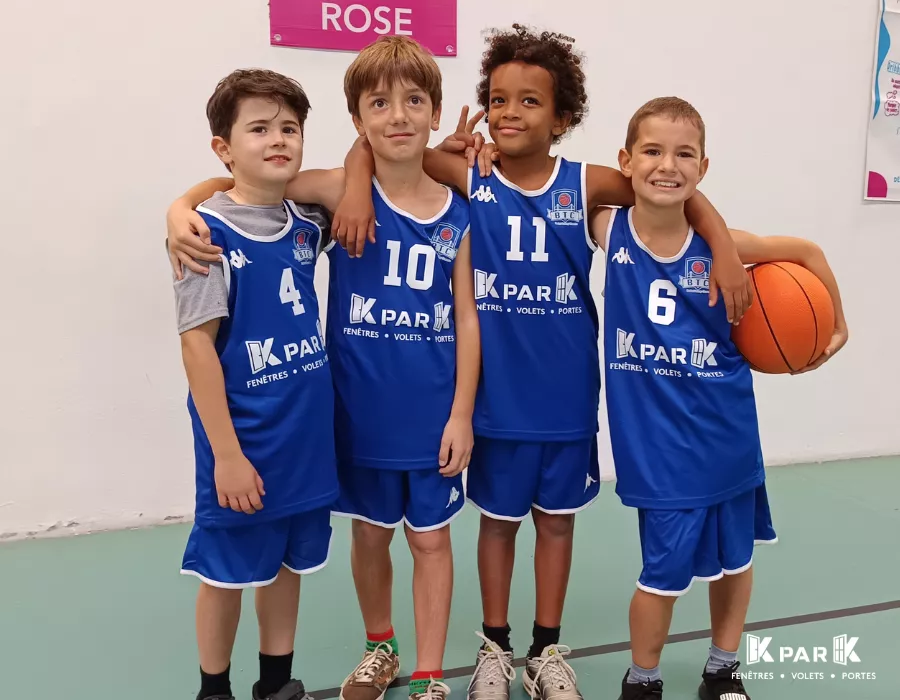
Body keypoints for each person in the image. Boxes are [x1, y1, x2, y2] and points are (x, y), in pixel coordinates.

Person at [337, 24, 756, 700]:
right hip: (493, 399)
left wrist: (725, 247)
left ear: (563, 117)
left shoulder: (585, 182)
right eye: (499, 99)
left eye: (530, 102)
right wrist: (357, 185)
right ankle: (494, 648)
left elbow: (670, 188)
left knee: (556, 525)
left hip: (564, 395)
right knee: (498, 524)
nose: (509, 113)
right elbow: (379, 148)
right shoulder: (466, 171)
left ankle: (545, 649)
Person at [165, 36, 481, 700]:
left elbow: (470, 316)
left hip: (407, 421)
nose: (398, 115)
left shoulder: (447, 208)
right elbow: (234, 187)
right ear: (358, 120)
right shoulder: (320, 200)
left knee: (413, 545)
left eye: (414, 101)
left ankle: (423, 675)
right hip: (344, 420)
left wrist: (460, 414)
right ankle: (369, 650)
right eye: (379, 104)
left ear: (434, 108)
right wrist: (177, 211)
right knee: (361, 539)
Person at [588, 96, 848, 700]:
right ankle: (642, 679)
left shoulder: (722, 248)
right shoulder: (608, 228)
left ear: (704, 168)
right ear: (626, 160)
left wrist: (838, 327)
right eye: (652, 151)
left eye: (684, 155)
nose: (667, 165)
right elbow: (562, 186)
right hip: (656, 449)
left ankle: (722, 668)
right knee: (662, 572)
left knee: (735, 560)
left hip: (726, 433)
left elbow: (807, 252)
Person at [172, 69, 340, 700]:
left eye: (290, 128)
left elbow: (363, 175)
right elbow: (196, 348)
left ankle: (277, 683)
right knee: (225, 572)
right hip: (243, 441)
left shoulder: (306, 223)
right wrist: (228, 456)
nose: (278, 139)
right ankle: (214, 689)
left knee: (288, 564)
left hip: (304, 440)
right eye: (259, 128)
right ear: (224, 146)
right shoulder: (203, 235)